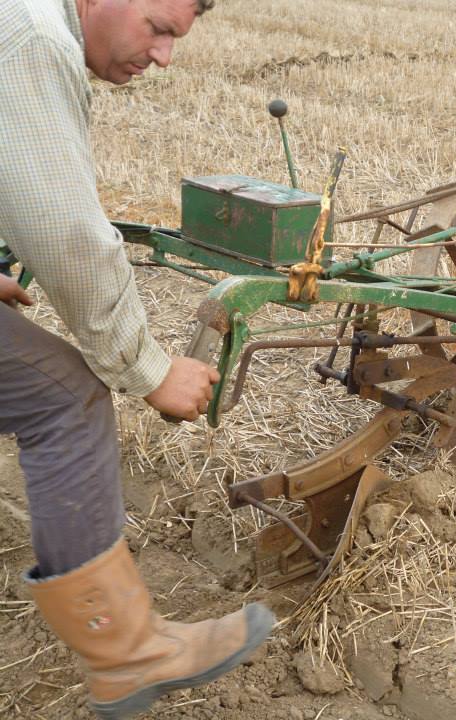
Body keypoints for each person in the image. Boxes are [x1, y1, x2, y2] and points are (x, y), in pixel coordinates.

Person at [0, 1, 274, 718]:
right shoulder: (31, 36)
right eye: (159, 28)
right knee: (65, 397)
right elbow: (67, 237)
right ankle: (129, 657)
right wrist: (148, 370)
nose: (163, 57)